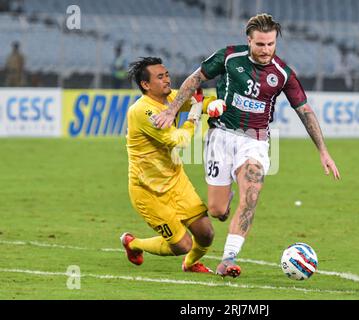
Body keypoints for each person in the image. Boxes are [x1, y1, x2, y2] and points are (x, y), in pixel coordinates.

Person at [154, 14, 340, 278]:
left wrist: (323, 151)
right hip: (221, 137)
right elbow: (195, 79)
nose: (266, 50)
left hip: (255, 140)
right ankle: (225, 200)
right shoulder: (229, 57)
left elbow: (304, 110)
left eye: (271, 44)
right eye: (260, 44)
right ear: (249, 41)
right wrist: (173, 110)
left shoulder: (283, 74)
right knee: (217, 210)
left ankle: (228, 259)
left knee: (251, 194)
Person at [121, 56, 216, 274]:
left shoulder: (172, 98)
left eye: (167, 75)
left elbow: (198, 101)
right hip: (148, 190)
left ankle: (190, 265)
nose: (167, 80)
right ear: (146, 85)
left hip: (175, 180)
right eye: (160, 77)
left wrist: (213, 105)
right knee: (182, 245)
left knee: (206, 233)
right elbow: (178, 140)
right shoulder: (143, 111)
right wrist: (193, 118)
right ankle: (132, 243)